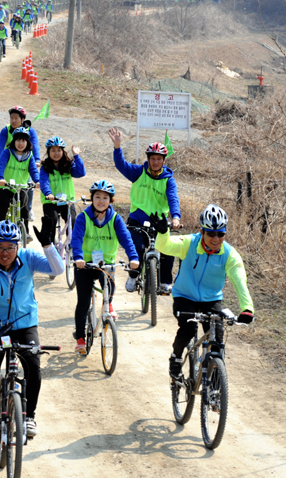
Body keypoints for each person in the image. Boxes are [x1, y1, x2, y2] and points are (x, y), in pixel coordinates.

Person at [0, 219, 63, 436]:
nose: (5, 253)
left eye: (11, 247)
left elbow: (57, 270)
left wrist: (49, 246)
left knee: (33, 368)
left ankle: (29, 416)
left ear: (18, 247)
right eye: (0, 247)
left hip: (24, 324)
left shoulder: (28, 258)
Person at [148, 205, 255, 380]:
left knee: (217, 338)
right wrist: (162, 233)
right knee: (189, 328)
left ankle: (214, 383)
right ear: (202, 232)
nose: (216, 238)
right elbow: (165, 246)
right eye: (211, 234)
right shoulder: (189, 243)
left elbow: (240, 282)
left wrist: (247, 308)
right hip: (184, 296)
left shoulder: (229, 254)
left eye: (221, 234)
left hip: (211, 299)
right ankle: (175, 358)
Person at [108, 127, 182, 294]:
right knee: (138, 248)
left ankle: (164, 282)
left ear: (164, 160)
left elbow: (173, 199)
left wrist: (176, 217)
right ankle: (133, 276)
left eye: (159, 159)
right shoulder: (138, 172)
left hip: (160, 221)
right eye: (152, 158)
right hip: (137, 218)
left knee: (167, 249)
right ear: (148, 159)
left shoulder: (168, 180)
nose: (155, 162)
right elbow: (121, 165)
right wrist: (117, 147)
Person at [71, 181, 139, 353]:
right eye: (97, 197)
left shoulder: (115, 219)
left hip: (106, 265)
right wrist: (78, 257)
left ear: (110, 200)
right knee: (83, 302)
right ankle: (80, 338)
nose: (101, 201)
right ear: (92, 198)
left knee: (109, 284)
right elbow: (77, 239)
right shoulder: (83, 218)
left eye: (105, 198)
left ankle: (108, 305)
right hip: (85, 265)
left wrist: (133, 257)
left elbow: (126, 239)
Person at [0, 127, 39, 239]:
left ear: (27, 142)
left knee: (25, 208)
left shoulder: (29, 156)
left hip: (21, 187)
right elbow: (1, 165)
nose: (21, 143)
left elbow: (34, 170)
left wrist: (38, 181)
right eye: (18, 140)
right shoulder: (7, 152)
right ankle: (0, 225)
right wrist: (0, 178)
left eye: (23, 141)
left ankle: (25, 232)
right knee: (4, 204)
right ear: (13, 141)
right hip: (5, 186)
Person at [39, 136, 85, 226]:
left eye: (59, 150)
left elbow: (81, 173)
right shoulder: (45, 168)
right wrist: (48, 193)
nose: (56, 153)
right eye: (53, 150)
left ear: (63, 151)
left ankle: (71, 240)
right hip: (51, 202)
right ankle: (49, 240)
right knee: (51, 220)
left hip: (67, 201)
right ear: (48, 152)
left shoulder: (68, 165)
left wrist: (76, 156)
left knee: (72, 221)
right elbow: (44, 182)